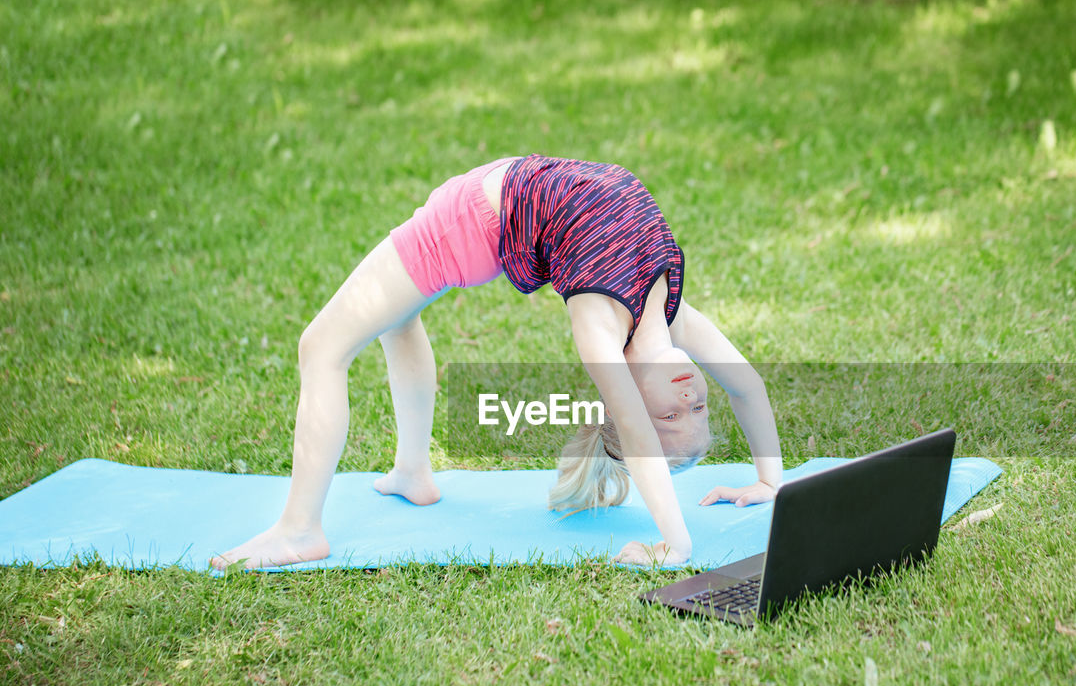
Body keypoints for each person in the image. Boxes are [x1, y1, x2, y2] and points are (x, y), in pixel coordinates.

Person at [210, 154, 782, 571]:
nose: (689, 399)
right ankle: (413, 473)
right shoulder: (669, 312)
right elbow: (748, 385)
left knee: (320, 347)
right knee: (398, 317)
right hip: (487, 205)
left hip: (465, 225)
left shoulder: (600, 329)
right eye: (699, 407)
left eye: (673, 420)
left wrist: (676, 546)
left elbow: (634, 433)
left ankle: (299, 529)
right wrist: (768, 480)